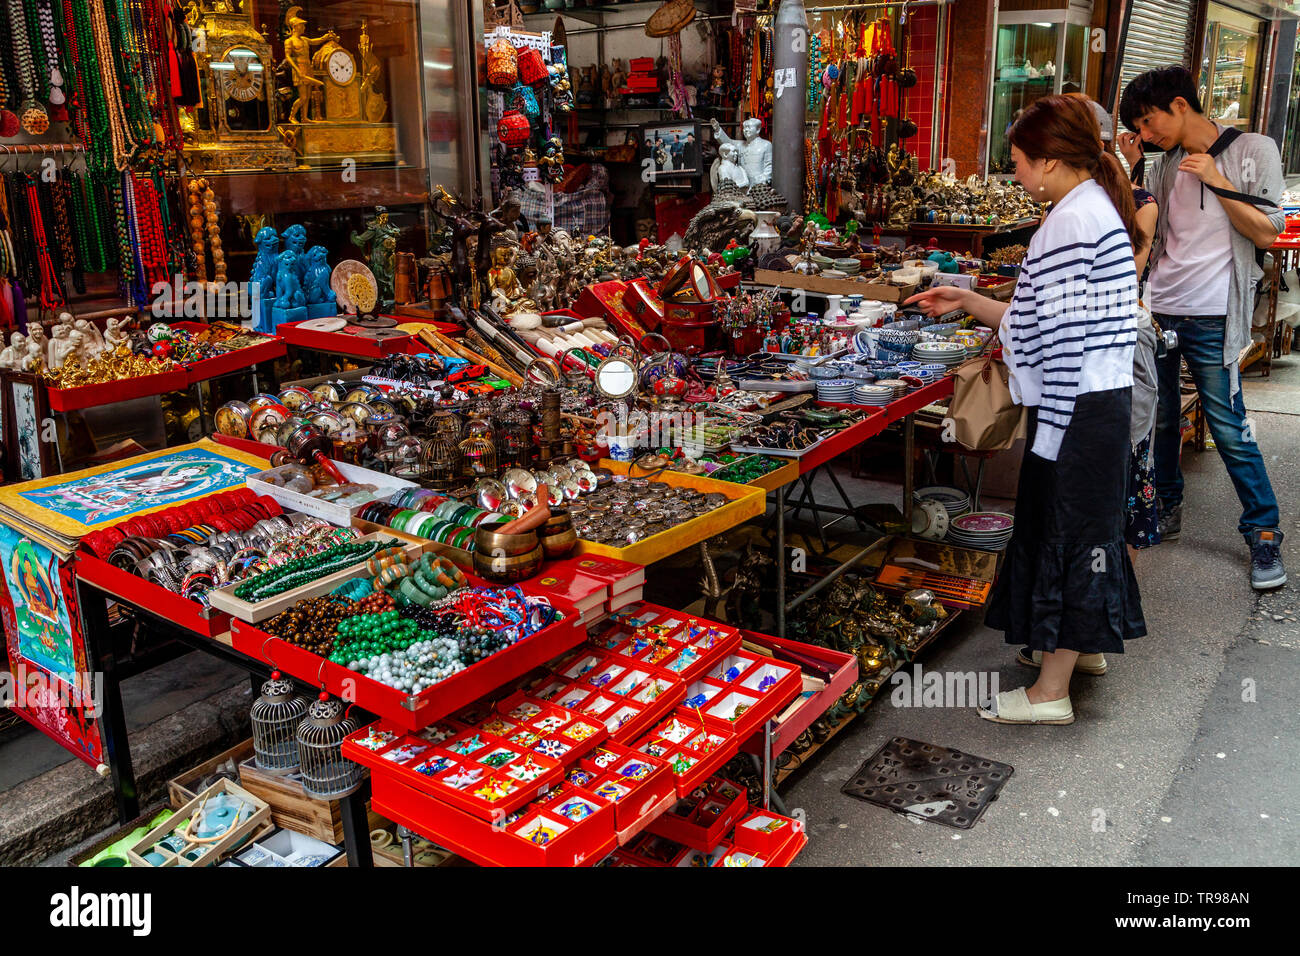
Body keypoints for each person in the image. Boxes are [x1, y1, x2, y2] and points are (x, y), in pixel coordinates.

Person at [906, 94, 1146, 725]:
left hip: (1078, 405)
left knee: (1069, 531)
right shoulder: (1089, 209)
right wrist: (966, 297)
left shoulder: (1072, 222)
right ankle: (1079, 647)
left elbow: (1060, 337)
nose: (1014, 174)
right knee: (1082, 530)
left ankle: (1050, 693)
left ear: (1049, 161)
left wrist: (1050, 430)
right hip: (1094, 400)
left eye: (1017, 162)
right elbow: (1041, 317)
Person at [1118, 65, 1286, 590]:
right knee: (1162, 419)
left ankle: (1263, 535)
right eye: (1139, 128)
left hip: (1215, 312)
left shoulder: (1253, 149)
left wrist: (1218, 181)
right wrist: (1135, 165)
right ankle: (1167, 506)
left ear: (1180, 105)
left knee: (1230, 427)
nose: (1146, 133)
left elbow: (1269, 233)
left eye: (1149, 122)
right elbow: (1148, 232)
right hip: (1162, 306)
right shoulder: (1163, 163)